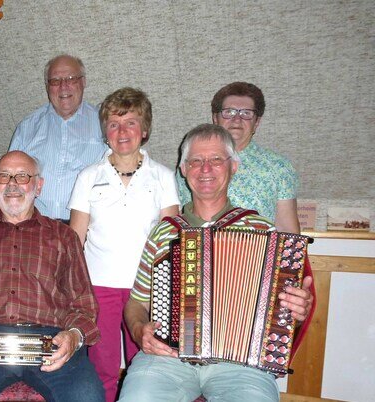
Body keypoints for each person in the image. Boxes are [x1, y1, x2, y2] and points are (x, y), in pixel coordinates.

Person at [119, 124, 314, 402]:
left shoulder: (264, 232)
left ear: (233, 166)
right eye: (196, 161)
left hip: (242, 364)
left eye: (216, 160)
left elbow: (286, 313)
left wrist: (297, 306)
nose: (205, 169)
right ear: (184, 169)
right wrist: (139, 331)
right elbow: (136, 304)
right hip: (168, 358)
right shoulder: (164, 231)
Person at [0, 151, 104, 402]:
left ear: (38, 186)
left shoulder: (64, 237)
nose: (12, 183)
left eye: (22, 176)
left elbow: (83, 303)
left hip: (51, 340)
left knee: (87, 396)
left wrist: (73, 336)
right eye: (4, 176)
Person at [68, 87, 180, 402]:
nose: (122, 131)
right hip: (98, 286)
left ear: (144, 130)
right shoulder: (89, 176)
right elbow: (75, 238)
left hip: (145, 290)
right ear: (106, 131)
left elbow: (170, 239)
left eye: (131, 122)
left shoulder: (163, 177)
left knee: (142, 365)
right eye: (114, 124)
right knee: (101, 367)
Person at [176, 82, 301, 232]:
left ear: (257, 122)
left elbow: (288, 231)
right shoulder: (192, 165)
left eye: (246, 113)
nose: (237, 119)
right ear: (215, 118)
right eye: (229, 112)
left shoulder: (279, 168)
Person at [8, 54, 108, 223]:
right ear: (47, 86)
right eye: (55, 81)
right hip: (36, 226)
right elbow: (11, 180)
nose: (63, 87)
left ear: (83, 82)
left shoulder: (105, 124)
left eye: (71, 79)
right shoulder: (27, 128)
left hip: (88, 228)